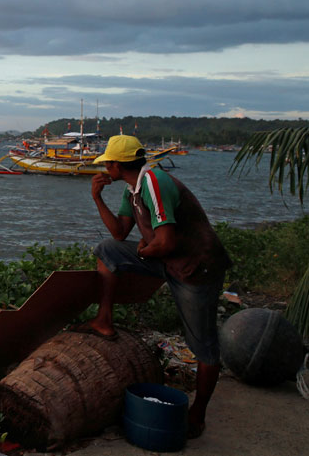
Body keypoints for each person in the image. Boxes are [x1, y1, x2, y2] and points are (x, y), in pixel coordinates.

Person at [82, 135, 232, 439]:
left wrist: (143, 251)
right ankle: (104, 319)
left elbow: (165, 242)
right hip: (169, 261)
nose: (104, 167)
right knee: (107, 250)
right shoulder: (132, 189)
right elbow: (120, 233)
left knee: (203, 347)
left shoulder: (153, 182)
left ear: (115, 164)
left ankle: (197, 414)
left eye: (106, 162)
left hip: (195, 269)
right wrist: (97, 198)